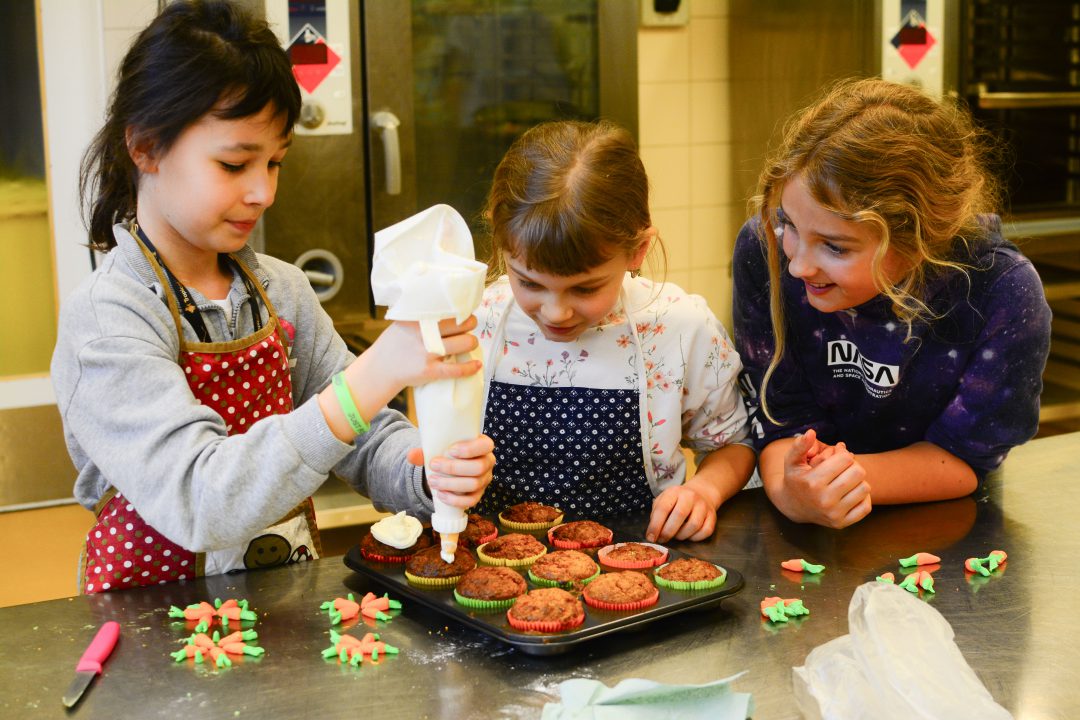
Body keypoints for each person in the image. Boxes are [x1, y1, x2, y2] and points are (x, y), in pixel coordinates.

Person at [52, 0, 494, 594]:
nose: (262, 191)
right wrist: (373, 375)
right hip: (148, 632)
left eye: (275, 162)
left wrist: (431, 470)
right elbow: (200, 499)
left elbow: (367, 439)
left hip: (283, 612)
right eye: (234, 164)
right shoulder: (109, 318)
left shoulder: (280, 293)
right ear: (145, 148)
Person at [732, 77, 1052, 529]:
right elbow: (780, 421)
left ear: (921, 241)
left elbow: (962, 456)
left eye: (836, 247)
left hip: (938, 521)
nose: (799, 266)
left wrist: (843, 481)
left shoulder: (1001, 291)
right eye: (789, 224)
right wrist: (789, 493)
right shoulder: (761, 249)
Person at [474, 119, 755, 543]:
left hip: (636, 565)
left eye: (585, 287)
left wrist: (704, 490)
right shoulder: (472, 321)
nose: (556, 311)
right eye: (529, 282)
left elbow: (733, 443)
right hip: (493, 568)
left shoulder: (680, 328)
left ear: (637, 250)